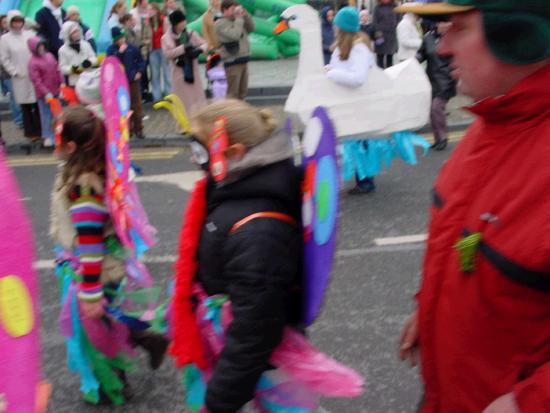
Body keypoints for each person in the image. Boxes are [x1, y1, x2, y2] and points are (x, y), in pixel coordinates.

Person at [395, 1, 550, 412]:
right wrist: (432, 308)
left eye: (458, 29)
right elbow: (466, 243)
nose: (442, 47)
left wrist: (531, 401)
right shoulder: (493, 122)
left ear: (520, 36)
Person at [178, 99, 303, 412]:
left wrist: (220, 401)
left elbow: (255, 332)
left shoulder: (257, 231)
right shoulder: (235, 188)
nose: (196, 161)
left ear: (234, 154)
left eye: (201, 152)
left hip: (261, 360)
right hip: (243, 353)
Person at [50, 106, 169, 406]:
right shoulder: (99, 168)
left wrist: (90, 294)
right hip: (110, 265)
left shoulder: (84, 186)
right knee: (110, 319)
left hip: (98, 270)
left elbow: (90, 244)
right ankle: (149, 340)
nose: (54, 146)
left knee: (99, 329)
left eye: (58, 139)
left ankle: (115, 383)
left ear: (72, 146)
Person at [325, 6, 377, 195]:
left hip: (359, 104)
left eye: (336, 24)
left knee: (360, 144)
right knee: (351, 143)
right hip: (347, 102)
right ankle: (359, 179)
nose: (333, 27)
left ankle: (366, 182)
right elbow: (338, 67)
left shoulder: (359, 47)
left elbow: (358, 78)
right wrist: (328, 69)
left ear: (343, 27)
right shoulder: (342, 45)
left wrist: (332, 73)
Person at [0, 11, 41, 144]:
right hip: (19, 76)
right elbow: (4, 58)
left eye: (19, 21)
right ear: (11, 23)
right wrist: (14, 72)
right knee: (25, 105)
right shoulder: (5, 39)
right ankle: (30, 133)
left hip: (33, 74)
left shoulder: (30, 35)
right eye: (15, 22)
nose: (18, 24)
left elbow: (38, 51)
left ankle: (41, 130)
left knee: (37, 103)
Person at [416, 20, 456, 151]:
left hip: (447, 80)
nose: (447, 25)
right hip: (431, 80)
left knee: (436, 108)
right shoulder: (428, 38)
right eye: (444, 23)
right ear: (437, 24)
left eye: (448, 23)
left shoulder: (452, 39)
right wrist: (414, 59)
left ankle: (443, 137)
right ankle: (437, 138)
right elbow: (421, 55)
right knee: (432, 111)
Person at [162, 10, 207, 116]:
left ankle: (198, 123)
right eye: (181, 22)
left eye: (184, 21)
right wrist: (183, 48)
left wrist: (199, 50)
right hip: (178, 74)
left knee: (197, 98)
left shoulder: (191, 33)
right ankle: (183, 126)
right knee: (182, 100)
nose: (184, 24)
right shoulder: (166, 38)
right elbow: (168, 54)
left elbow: (205, 44)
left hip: (193, 72)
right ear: (175, 24)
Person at [107, 27, 146, 139]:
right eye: (119, 39)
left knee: (136, 106)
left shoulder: (132, 48)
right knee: (123, 108)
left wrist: (139, 71)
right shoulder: (111, 50)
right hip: (119, 83)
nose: (122, 41)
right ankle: (127, 131)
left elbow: (141, 61)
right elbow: (110, 64)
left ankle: (139, 130)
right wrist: (119, 53)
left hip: (132, 81)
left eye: (123, 38)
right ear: (115, 40)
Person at [28, 36, 63, 148]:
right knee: (46, 115)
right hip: (44, 95)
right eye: (39, 46)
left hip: (55, 90)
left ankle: (58, 135)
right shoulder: (32, 63)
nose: (42, 47)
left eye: (42, 45)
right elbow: (36, 81)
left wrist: (61, 83)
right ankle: (48, 136)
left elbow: (57, 70)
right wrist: (45, 93)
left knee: (57, 114)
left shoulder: (49, 56)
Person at [215, 0, 255, 100]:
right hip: (232, 63)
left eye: (237, 9)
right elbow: (235, 35)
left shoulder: (238, 21)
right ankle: (232, 114)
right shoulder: (220, 24)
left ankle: (241, 114)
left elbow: (252, 29)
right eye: (233, 9)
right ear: (225, 10)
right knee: (232, 94)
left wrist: (246, 16)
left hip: (243, 60)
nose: (236, 12)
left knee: (243, 92)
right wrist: (239, 18)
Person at [0, 14, 23, 129]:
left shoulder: (17, 35)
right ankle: (18, 118)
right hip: (7, 73)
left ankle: (22, 117)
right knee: (14, 96)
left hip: (20, 70)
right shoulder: (3, 39)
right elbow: (3, 58)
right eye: (3, 22)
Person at [58, 21, 97, 87]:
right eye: (73, 33)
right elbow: (62, 68)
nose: (77, 34)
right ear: (68, 35)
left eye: (77, 31)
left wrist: (90, 62)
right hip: (75, 82)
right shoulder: (62, 50)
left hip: (89, 78)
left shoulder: (85, 44)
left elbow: (94, 58)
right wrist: (73, 69)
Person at [130, 0, 153, 101]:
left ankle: (146, 91)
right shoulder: (133, 13)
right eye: (145, 0)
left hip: (149, 45)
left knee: (150, 70)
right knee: (141, 70)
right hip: (139, 46)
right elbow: (134, 29)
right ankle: (142, 92)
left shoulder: (149, 11)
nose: (147, 2)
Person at [149, 3, 172, 102]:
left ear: (156, 10)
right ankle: (157, 97)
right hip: (153, 50)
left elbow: (167, 35)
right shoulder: (148, 21)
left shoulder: (164, 20)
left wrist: (168, 48)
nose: (149, 12)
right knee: (155, 74)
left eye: (151, 10)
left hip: (163, 49)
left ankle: (169, 95)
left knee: (167, 73)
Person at [372, 0, 398, 68]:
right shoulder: (377, 8)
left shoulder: (395, 6)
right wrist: (378, 34)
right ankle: (380, 74)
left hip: (391, 35)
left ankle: (389, 74)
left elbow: (399, 19)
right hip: (380, 35)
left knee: (390, 57)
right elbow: (374, 22)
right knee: (380, 56)